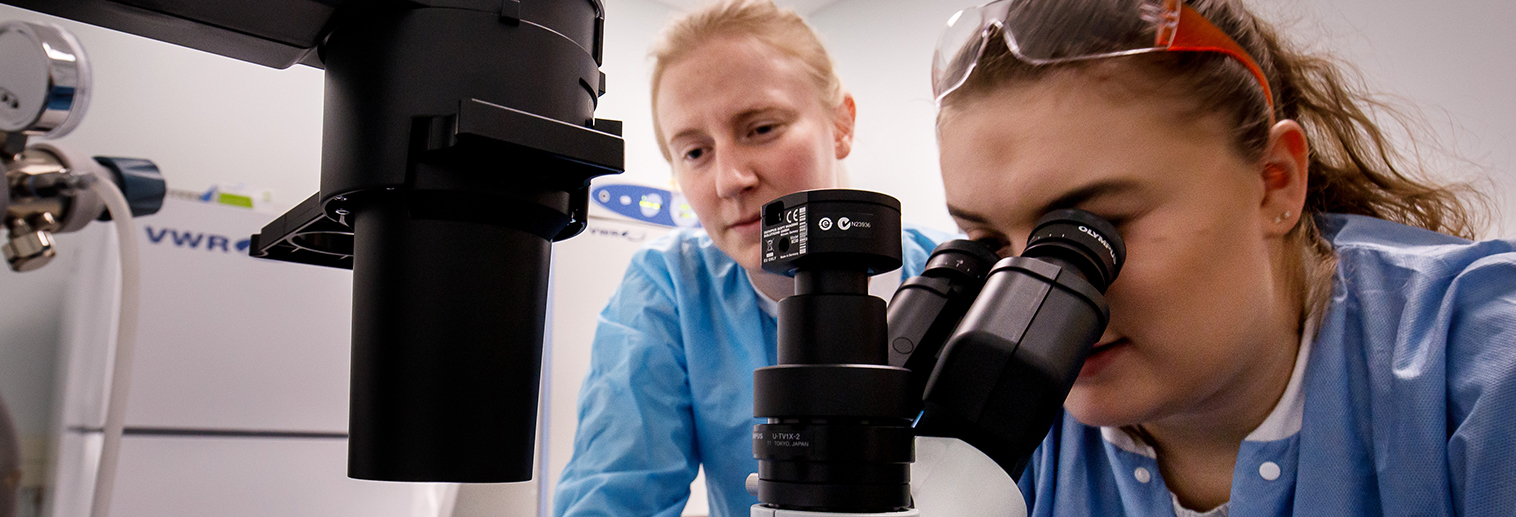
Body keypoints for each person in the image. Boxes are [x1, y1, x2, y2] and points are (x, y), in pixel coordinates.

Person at [929, 0, 1515, 515]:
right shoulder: (998, 423)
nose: (1030, 302)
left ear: (1273, 183)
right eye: (989, 247)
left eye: (1088, 232)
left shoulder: (1481, 380)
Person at [552, 2, 946, 516]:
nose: (729, 180)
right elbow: (613, 498)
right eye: (695, 152)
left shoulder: (959, 280)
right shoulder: (672, 288)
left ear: (841, 123)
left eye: (761, 129)